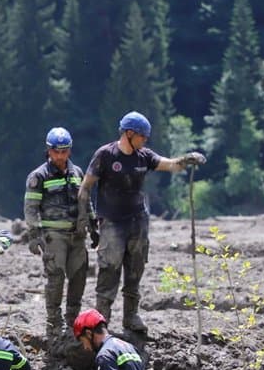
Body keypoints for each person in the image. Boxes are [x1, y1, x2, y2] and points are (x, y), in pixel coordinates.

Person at [78, 112, 206, 333]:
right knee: (109, 272)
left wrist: (187, 160)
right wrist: (87, 219)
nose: (145, 140)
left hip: (138, 223)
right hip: (111, 224)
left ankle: (131, 317)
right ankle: (102, 320)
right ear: (129, 134)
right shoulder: (105, 155)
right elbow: (85, 187)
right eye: (142, 137)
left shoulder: (143, 156)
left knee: (135, 270)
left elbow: (170, 165)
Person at [24, 127, 92, 345]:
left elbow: (86, 201)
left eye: (64, 151)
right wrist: (34, 235)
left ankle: (73, 321)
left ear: (69, 150)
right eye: (56, 151)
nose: (60, 156)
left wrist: (93, 225)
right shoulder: (38, 176)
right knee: (55, 278)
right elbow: (31, 208)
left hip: (77, 235)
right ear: (49, 151)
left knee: (79, 278)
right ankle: (54, 324)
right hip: (54, 237)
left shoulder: (78, 173)